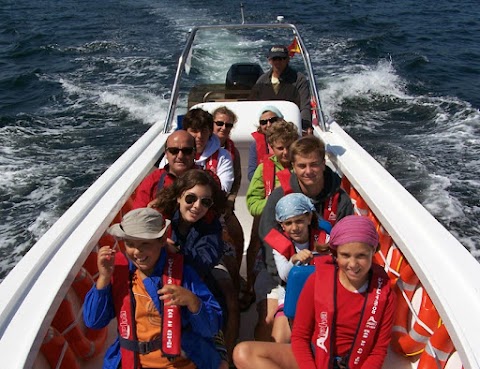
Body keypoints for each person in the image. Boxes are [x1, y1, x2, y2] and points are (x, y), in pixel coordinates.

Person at [233, 215, 396, 369]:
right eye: (345, 255)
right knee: (243, 353)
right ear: (335, 254)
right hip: (315, 353)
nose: (353, 264)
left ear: (373, 252)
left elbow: (378, 351)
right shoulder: (316, 281)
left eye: (361, 256)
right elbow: (300, 337)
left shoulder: (385, 293)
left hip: (355, 362)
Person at [83, 207, 223, 369]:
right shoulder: (118, 272)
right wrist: (104, 277)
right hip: (133, 362)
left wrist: (193, 301)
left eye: (145, 243)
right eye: (130, 244)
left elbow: (211, 328)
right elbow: (93, 322)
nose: (137, 251)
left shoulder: (183, 273)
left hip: (181, 362)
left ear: (162, 240)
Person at [256, 135, 354, 340]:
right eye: (302, 165)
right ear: (293, 166)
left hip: (327, 274)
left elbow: (348, 242)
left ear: (323, 163)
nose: (308, 171)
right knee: (268, 319)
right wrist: (284, 278)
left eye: (314, 164)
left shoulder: (341, 200)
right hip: (278, 269)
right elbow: (267, 236)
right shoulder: (279, 196)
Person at [153, 169, 239, 366]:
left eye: (205, 202)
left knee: (227, 298)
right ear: (178, 197)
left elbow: (203, 261)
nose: (197, 206)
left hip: (199, 281)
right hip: (161, 279)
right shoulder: (160, 219)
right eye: (191, 198)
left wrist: (172, 251)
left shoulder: (211, 227)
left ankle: (225, 350)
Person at [241, 120, 298, 319]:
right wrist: (273, 204)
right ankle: (252, 290)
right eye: (280, 148)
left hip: (299, 232)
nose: (285, 152)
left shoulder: (302, 167)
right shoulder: (263, 169)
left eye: (289, 147)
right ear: (272, 147)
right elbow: (251, 203)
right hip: (271, 233)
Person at [270, 193, 331, 343]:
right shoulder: (278, 243)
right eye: (288, 223)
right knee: (279, 339)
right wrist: (294, 260)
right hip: (290, 292)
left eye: (299, 221)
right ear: (282, 225)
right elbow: (284, 275)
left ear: (309, 218)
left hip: (322, 293)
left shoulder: (325, 238)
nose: (295, 227)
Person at [249, 45, 312, 132]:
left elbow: (304, 106)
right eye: (275, 59)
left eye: (281, 58)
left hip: (290, 128)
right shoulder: (262, 81)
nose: (278, 62)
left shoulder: (299, 79)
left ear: (288, 59)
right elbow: (253, 105)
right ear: (269, 60)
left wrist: (305, 127)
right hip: (267, 127)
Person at [212, 106, 244, 271]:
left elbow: (236, 180)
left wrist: (230, 201)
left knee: (238, 236)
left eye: (228, 125)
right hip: (204, 205)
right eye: (219, 123)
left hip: (225, 206)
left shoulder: (233, 153)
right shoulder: (202, 147)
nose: (223, 128)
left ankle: (236, 275)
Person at [133, 130, 197, 208]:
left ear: (194, 153)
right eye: (174, 151)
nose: (180, 156)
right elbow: (138, 215)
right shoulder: (152, 181)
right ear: (166, 154)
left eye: (187, 151)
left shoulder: (208, 179)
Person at [181, 108, 234, 193]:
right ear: (185, 131)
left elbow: (224, 188)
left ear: (210, 132)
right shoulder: (175, 153)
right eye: (194, 131)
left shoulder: (223, 156)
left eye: (204, 131)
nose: (199, 136)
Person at [247, 105, 284, 181]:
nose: (268, 124)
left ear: (281, 121)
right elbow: (251, 174)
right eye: (263, 122)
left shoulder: (292, 141)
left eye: (272, 120)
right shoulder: (254, 146)